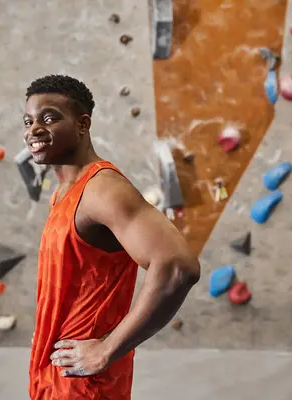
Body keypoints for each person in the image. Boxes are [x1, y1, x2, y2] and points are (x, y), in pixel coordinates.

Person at [24, 74, 201, 399]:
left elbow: (177, 267)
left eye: (48, 118)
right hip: (56, 371)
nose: (33, 129)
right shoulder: (65, 191)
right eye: (28, 120)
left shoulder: (103, 190)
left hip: (83, 383)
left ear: (82, 124)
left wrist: (107, 348)